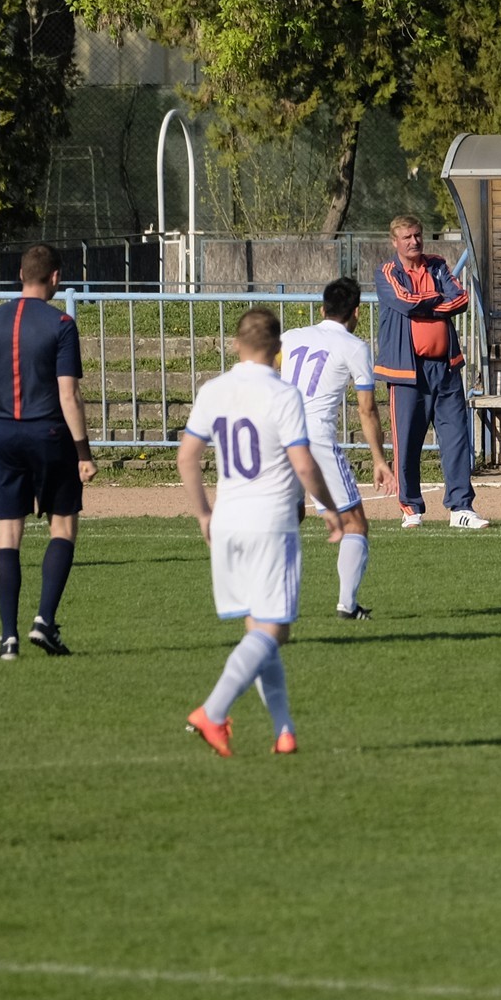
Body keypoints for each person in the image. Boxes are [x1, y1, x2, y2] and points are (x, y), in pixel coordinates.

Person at [177, 308, 343, 756]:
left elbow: (187, 457)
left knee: (260, 629)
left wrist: (203, 514)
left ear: (236, 344)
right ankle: (212, 712)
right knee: (274, 630)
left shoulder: (214, 390)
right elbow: (303, 463)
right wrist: (329, 507)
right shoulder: (282, 393)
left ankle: (284, 731)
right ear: (278, 350)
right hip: (270, 522)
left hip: (228, 521)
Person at [0, 243, 98, 661]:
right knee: (63, 526)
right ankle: (44, 621)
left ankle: (8, 638)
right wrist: (83, 452)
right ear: (55, 277)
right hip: (50, 433)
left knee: (7, 537)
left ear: (21, 274)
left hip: (2, 435)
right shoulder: (62, 324)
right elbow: (68, 394)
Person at [279, 276, 393, 618]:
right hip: (314, 439)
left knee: (289, 517)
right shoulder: (355, 347)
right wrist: (379, 460)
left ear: (322, 309)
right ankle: (347, 605)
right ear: (356, 312)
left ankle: (267, 594)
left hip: (278, 434)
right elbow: (367, 409)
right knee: (354, 524)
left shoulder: (291, 336)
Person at [374, 215, 487, 529]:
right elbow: (405, 302)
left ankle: (461, 508)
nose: (414, 242)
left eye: (418, 235)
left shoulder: (437, 265)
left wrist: (428, 304)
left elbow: (461, 298)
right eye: (407, 237)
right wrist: (438, 300)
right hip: (406, 371)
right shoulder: (387, 271)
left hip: (446, 367)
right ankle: (411, 508)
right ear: (394, 241)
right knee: (407, 442)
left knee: (457, 438)